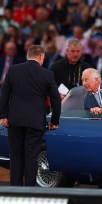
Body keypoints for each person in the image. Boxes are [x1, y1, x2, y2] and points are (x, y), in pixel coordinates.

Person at [0, 45, 61, 186]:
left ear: (28, 55)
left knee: (15, 156)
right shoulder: (47, 74)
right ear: (41, 57)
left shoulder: (13, 70)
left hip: (14, 121)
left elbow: (4, 94)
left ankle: (15, 191)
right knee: (31, 156)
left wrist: (3, 116)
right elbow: (56, 99)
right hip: (35, 122)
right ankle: (29, 191)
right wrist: (54, 121)